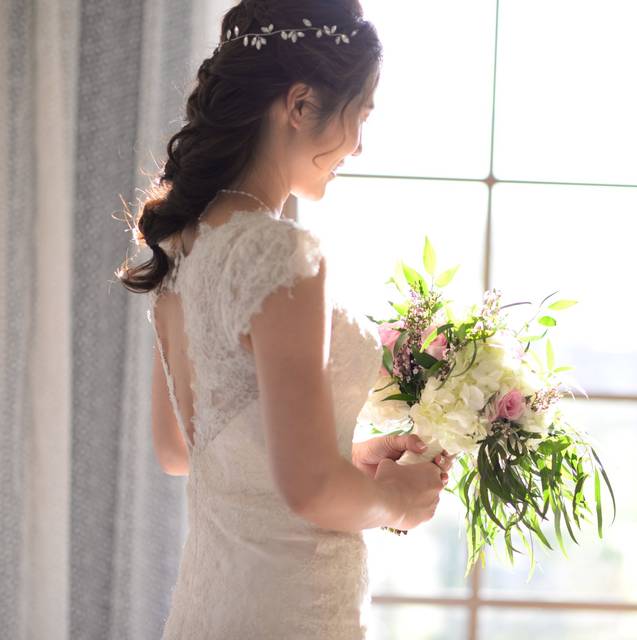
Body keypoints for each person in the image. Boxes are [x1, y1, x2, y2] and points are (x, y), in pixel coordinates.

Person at [114, 1, 453, 637]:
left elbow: (183, 446)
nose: (360, 144)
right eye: (361, 116)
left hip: (208, 610)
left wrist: (349, 456)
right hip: (292, 611)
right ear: (300, 106)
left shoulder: (182, 247)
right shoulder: (280, 252)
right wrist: (400, 501)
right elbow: (309, 493)